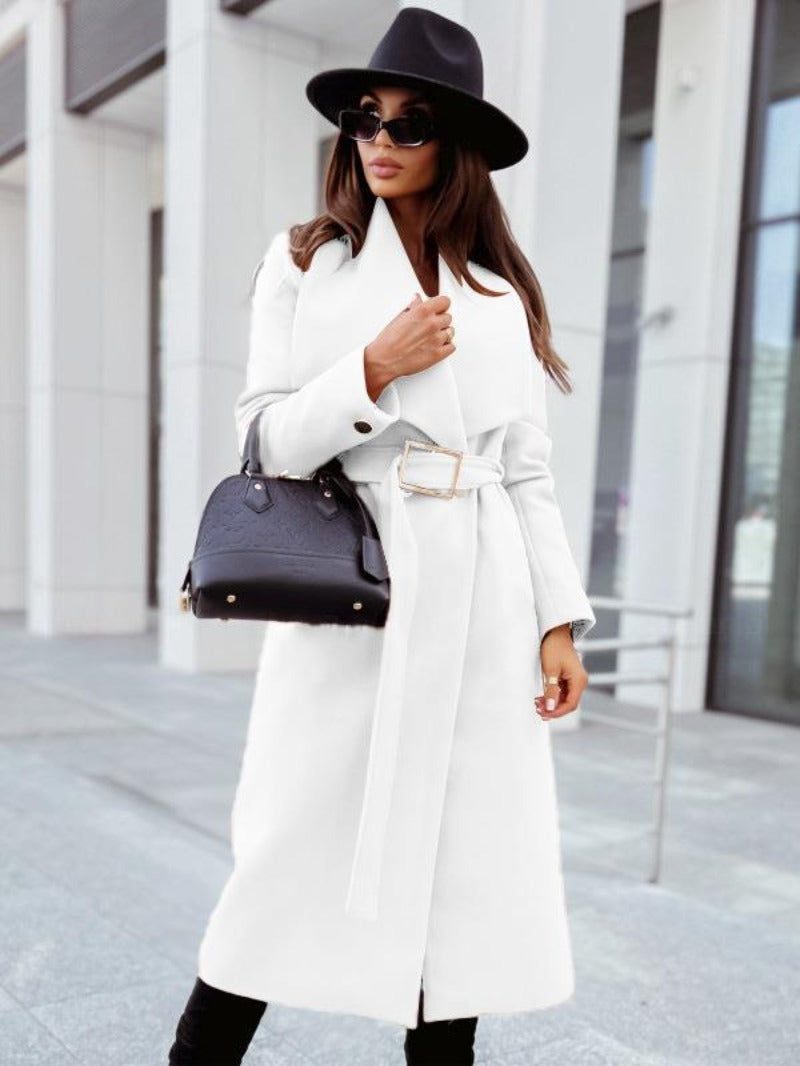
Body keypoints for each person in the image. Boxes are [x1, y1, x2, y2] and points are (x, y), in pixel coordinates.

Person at [168, 7, 595, 1065]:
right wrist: (369, 372)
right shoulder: (306, 264)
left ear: (453, 145)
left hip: (482, 607)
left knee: (455, 891)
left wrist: (556, 620)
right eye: (366, 118)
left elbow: (526, 469)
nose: (380, 140)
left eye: (408, 124)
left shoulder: (497, 292)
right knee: (280, 861)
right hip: (357, 599)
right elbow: (263, 440)